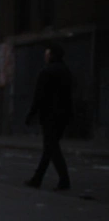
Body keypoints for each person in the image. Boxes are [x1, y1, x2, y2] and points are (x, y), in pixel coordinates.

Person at [25, 43, 73, 190]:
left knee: (52, 147)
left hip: (50, 115)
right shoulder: (66, 71)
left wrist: (31, 114)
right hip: (63, 115)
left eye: (47, 54)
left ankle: (64, 180)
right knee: (49, 147)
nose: (45, 57)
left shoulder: (46, 72)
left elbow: (39, 96)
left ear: (52, 55)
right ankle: (37, 178)